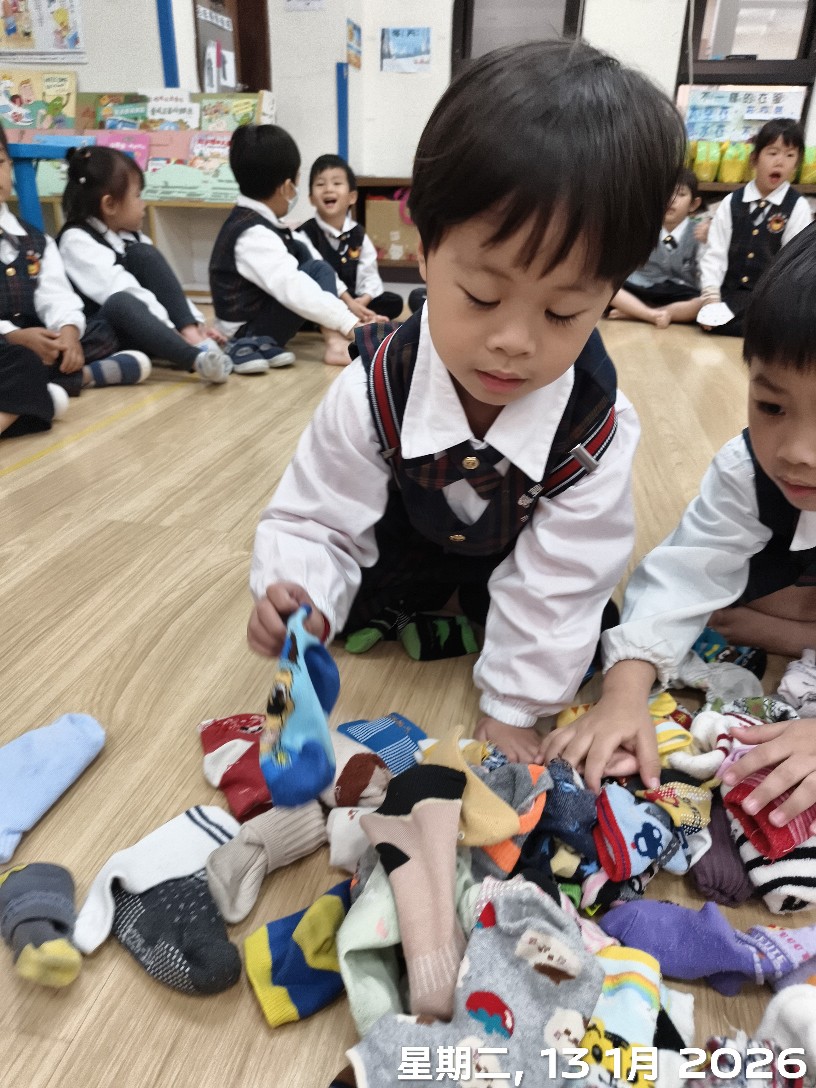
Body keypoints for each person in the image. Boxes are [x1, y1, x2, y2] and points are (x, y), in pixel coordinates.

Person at [246, 39, 686, 763]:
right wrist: (299, 592)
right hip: (405, 543)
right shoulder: (374, 386)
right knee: (356, 600)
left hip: (514, 555)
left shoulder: (593, 430)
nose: (513, 342)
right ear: (423, 250)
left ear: (611, 294)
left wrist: (513, 706)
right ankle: (429, 603)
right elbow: (319, 516)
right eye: (481, 295)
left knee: (575, 620)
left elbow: (565, 576)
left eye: (563, 312)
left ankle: (474, 614)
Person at [543, 221, 816, 819]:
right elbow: (682, 577)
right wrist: (623, 695)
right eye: (771, 405)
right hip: (784, 564)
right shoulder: (749, 469)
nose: (798, 451)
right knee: (714, 595)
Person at [0, 129, 151, 412]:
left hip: (37, 342)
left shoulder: (36, 240)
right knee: (19, 360)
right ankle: (82, 378)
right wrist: (12, 335)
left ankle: (38, 388)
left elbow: (56, 296)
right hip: (7, 346)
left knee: (103, 331)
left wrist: (67, 333)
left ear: (9, 164)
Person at [57, 146, 233, 383]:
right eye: (137, 195)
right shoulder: (76, 240)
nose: (144, 204)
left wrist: (193, 324)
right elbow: (125, 290)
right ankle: (194, 358)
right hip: (105, 333)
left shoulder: (130, 236)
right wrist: (171, 333)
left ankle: (195, 338)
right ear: (109, 204)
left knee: (145, 254)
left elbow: (167, 288)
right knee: (122, 301)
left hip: (146, 328)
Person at [209, 125, 359, 368]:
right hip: (244, 336)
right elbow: (294, 288)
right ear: (287, 188)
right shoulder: (254, 233)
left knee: (318, 268)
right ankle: (335, 343)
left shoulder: (259, 222)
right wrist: (349, 323)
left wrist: (349, 307)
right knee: (309, 278)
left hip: (252, 324)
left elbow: (311, 262)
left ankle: (335, 339)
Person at [698, 118, 811, 337]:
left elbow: (792, 267)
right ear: (754, 159)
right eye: (772, 153)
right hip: (728, 296)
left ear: (796, 165)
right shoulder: (731, 202)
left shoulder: (797, 207)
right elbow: (715, 255)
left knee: (776, 328)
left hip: (769, 301)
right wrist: (711, 300)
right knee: (707, 316)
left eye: (790, 156)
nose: (780, 162)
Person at [296, 153, 404, 323]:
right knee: (300, 309)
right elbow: (322, 275)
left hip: (354, 299)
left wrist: (363, 300)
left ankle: (356, 314)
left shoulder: (358, 233)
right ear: (311, 199)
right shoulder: (305, 234)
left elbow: (370, 274)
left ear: (352, 197)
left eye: (337, 183)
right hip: (322, 299)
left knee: (393, 301)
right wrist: (349, 303)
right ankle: (353, 316)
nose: (328, 189)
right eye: (320, 184)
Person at [607, 169, 704, 328]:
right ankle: (650, 314)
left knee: (701, 302)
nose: (671, 199)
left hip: (678, 292)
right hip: (642, 286)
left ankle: (639, 313)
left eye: (680, 194)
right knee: (607, 286)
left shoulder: (699, 233)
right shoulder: (642, 229)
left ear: (694, 204)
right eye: (665, 193)